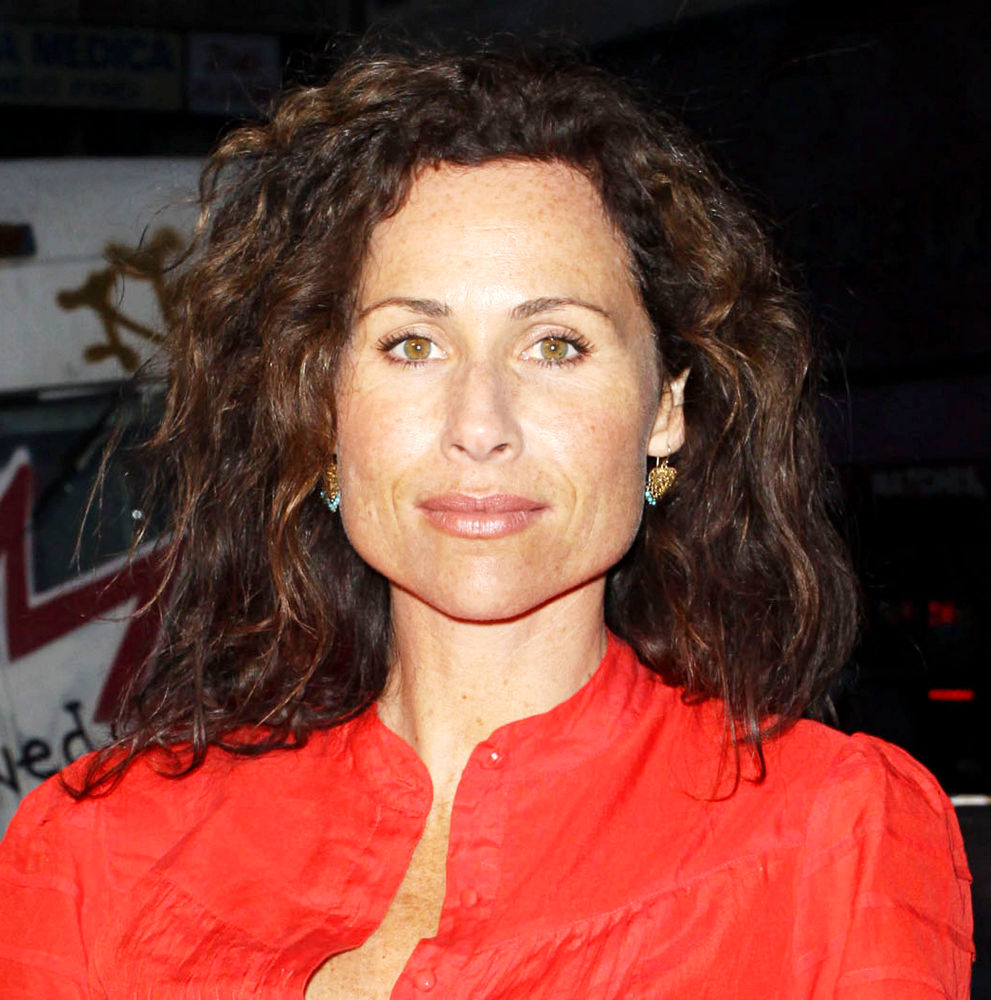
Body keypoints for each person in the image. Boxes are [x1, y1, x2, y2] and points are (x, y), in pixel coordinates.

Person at [0, 46, 973, 999]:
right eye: (411, 344)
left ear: (665, 407)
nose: (478, 425)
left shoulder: (835, 838)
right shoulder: (90, 856)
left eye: (555, 345)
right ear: (322, 405)